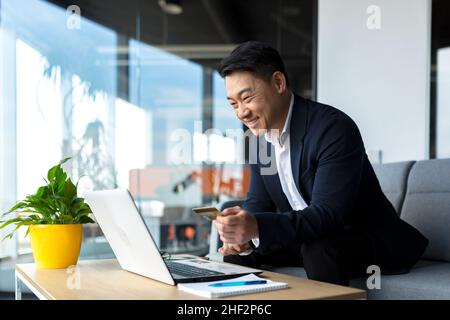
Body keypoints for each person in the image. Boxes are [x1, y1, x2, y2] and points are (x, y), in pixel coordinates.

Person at [214, 41, 428, 286]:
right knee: (239, 252)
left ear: (278, 83)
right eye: (233, 103)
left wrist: (257, 226)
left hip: (363, 238)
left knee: (318, 247)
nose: (241, 112)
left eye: (247, 98)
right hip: (307, 239)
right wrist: (240, 232)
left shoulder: (333, 128)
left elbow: (328, 216)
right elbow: (259, 203)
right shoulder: (256, 140)